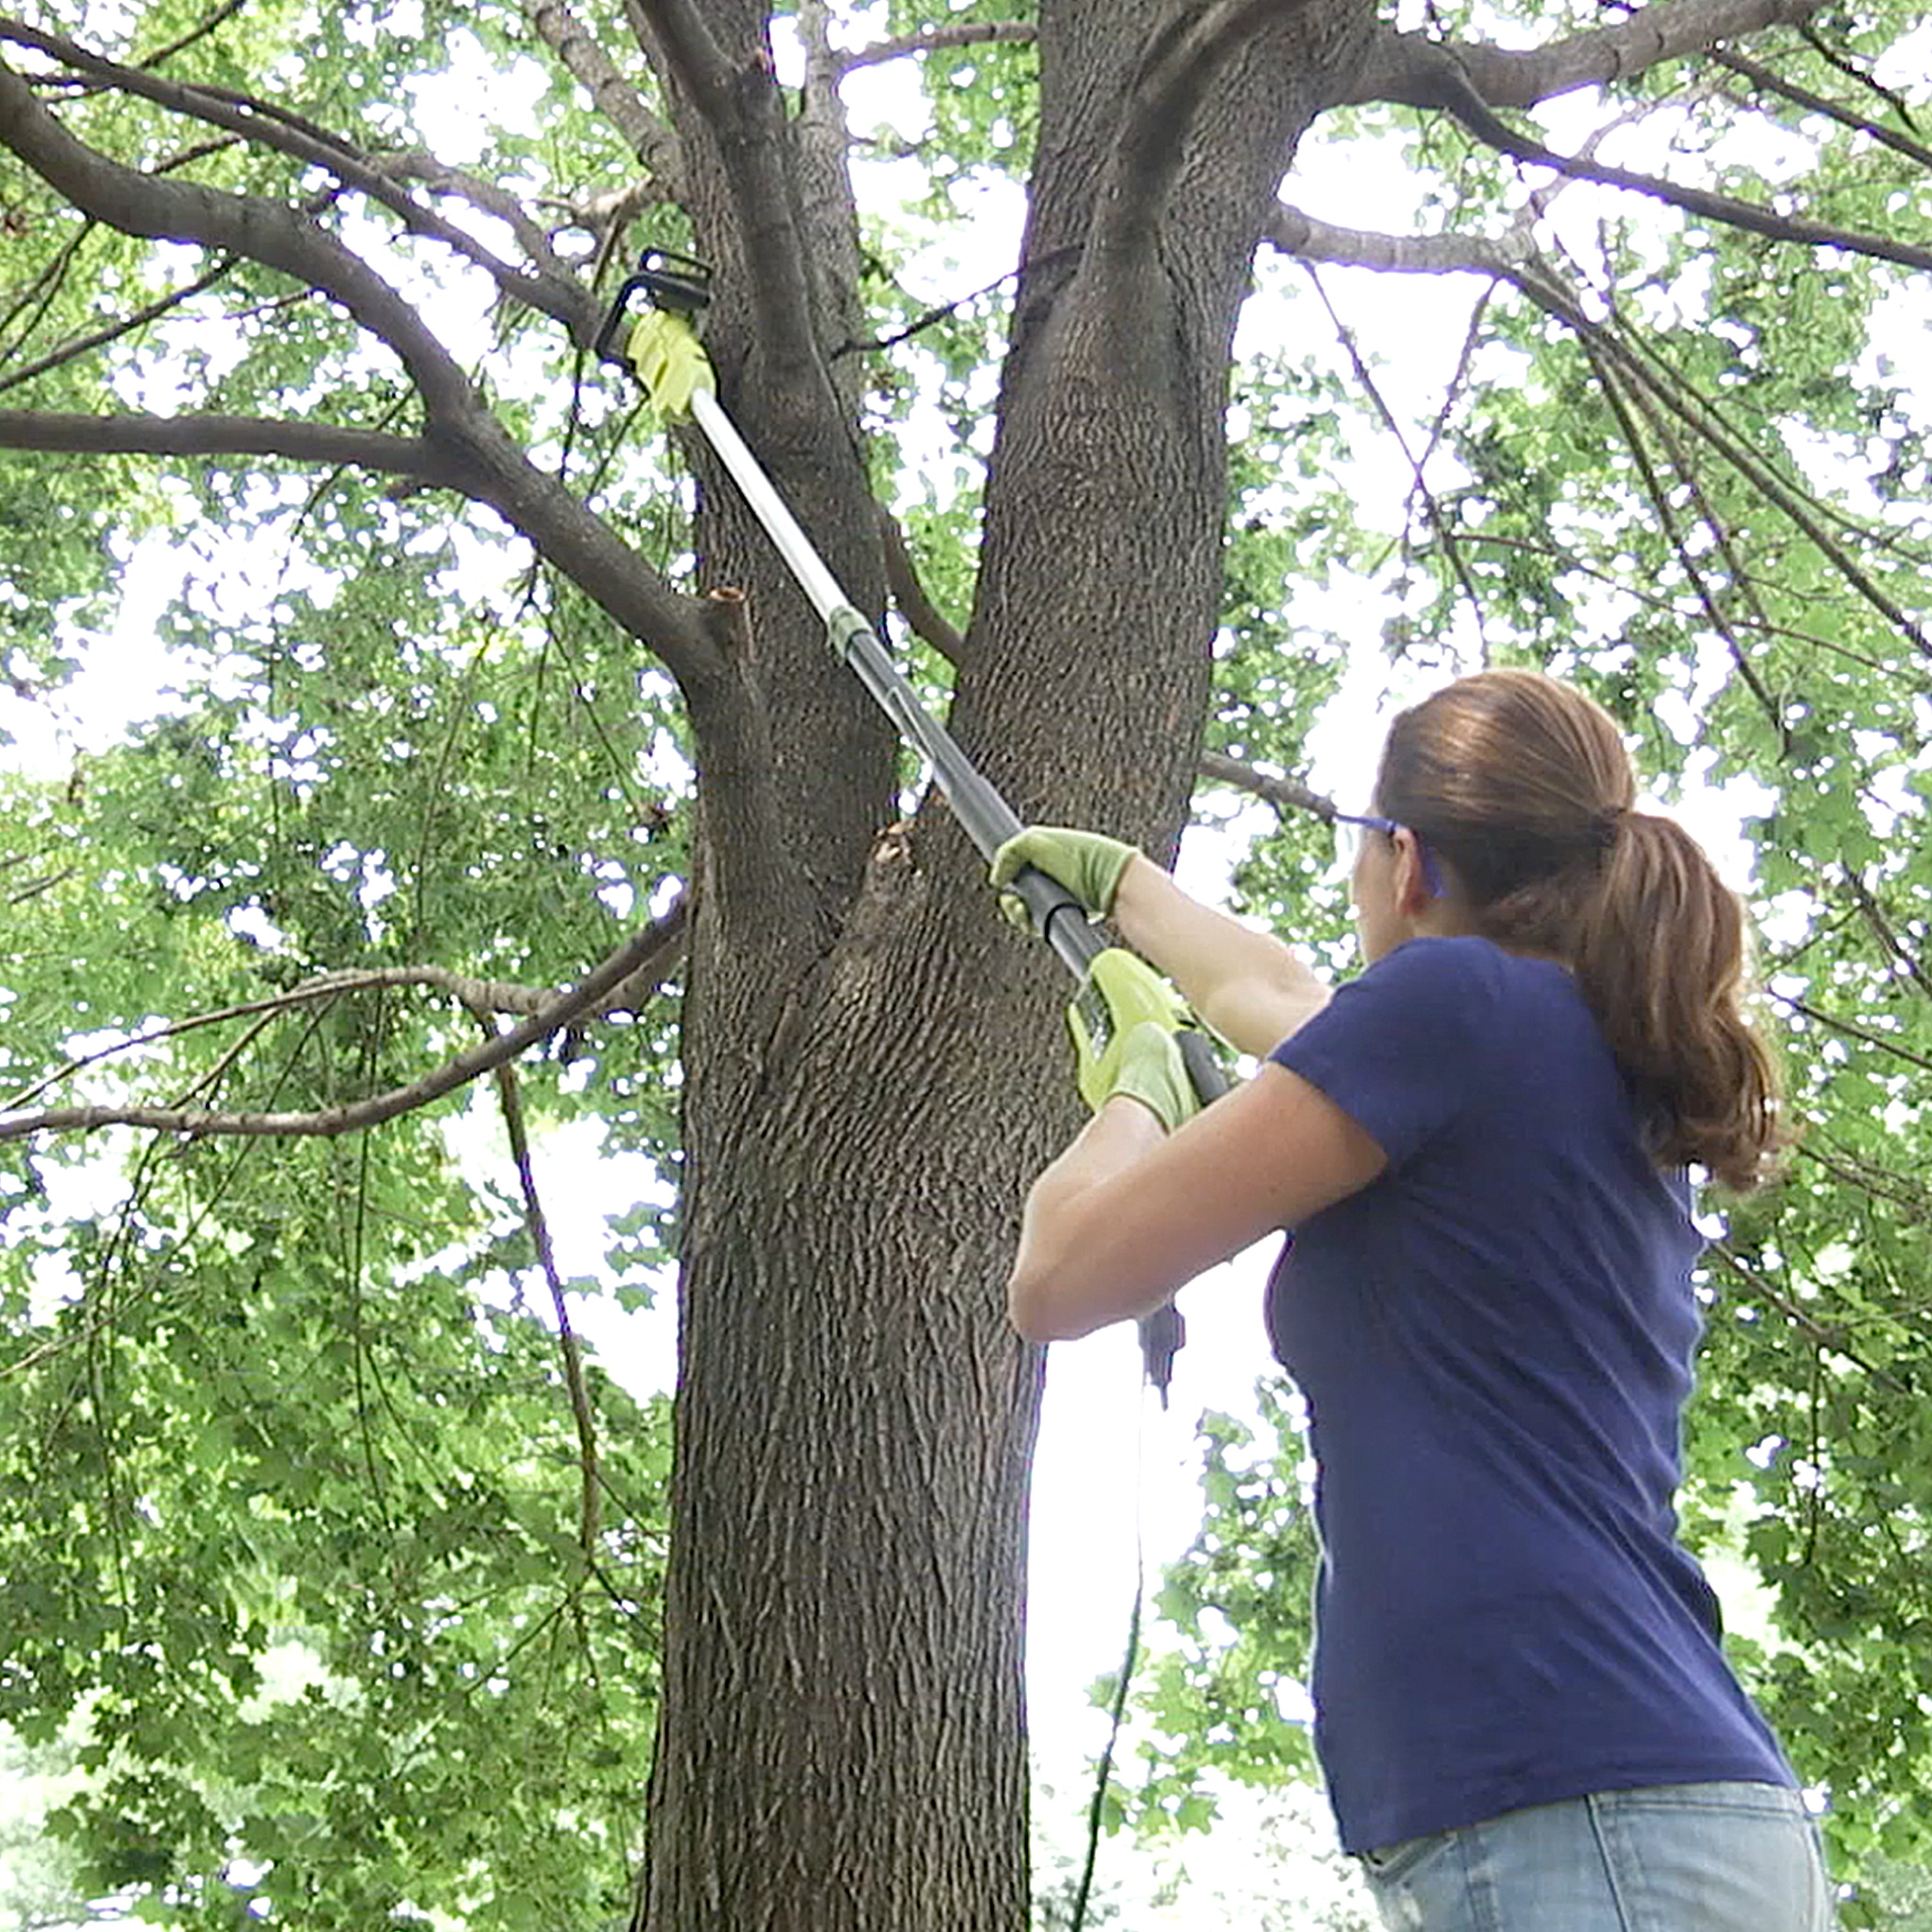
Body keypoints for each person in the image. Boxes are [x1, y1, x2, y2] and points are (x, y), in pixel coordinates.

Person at [994, 670, 1833, 1932]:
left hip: (1576, 1810)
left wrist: (1137, 1094)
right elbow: (1286, 1009)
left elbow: (1059, 1280)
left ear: (1407, 863)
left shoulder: (1456, 1013)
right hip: (1634, 1804)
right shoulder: (1560, 1048)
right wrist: (1126, 892)